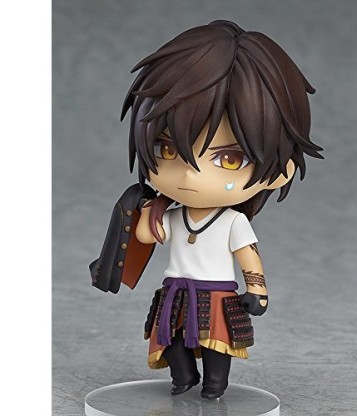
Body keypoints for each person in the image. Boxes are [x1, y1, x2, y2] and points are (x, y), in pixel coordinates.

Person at [117, 19, 322, 400]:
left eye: (227, 159)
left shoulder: (232, 221)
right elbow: (146, 234)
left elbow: (249, 255)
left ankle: (214, 384)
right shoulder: (174, 215)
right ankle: (183, 377)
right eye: (167, 150)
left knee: (217, 343)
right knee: (169, 340)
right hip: (175, 290)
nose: (190, 175)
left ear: (281, 171)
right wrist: (147, 207)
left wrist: (257, 288)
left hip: (216, 293)